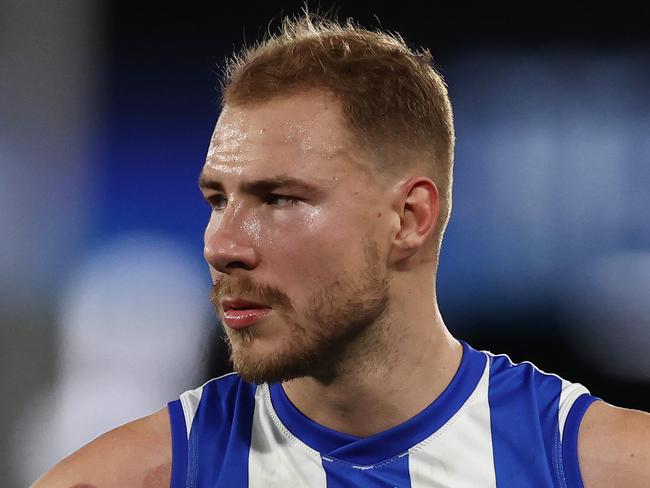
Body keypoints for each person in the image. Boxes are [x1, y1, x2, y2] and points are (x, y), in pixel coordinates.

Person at [33, 13, 649, 488]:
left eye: (279, 199)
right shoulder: (127, 476)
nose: (222, 246)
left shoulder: (609, 467)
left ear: (410, 218)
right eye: (218, 199)